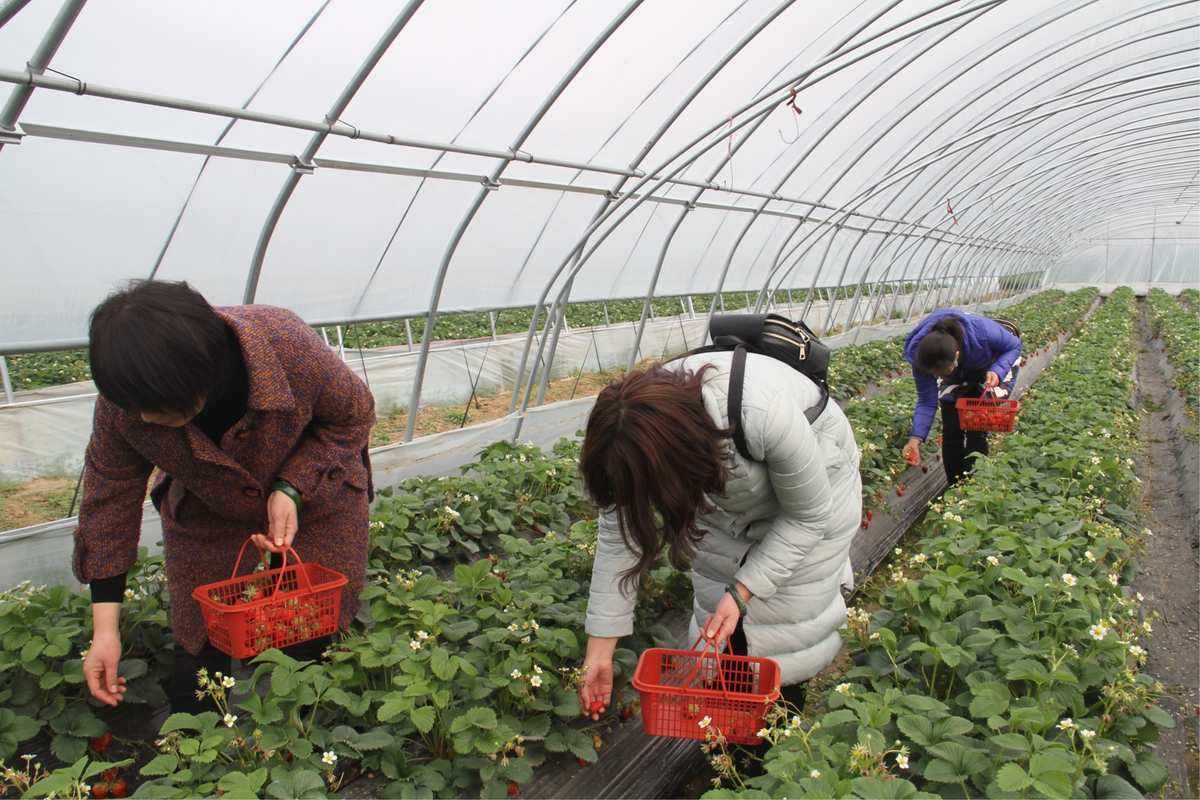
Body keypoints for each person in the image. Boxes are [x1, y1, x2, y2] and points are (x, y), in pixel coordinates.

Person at [74, 280, 375, 713]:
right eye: (137, 408)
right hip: (209, 508)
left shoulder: (285, 345)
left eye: (159, 409)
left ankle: (304, 737)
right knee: (201, 649)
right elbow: (109, 500)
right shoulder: (125, 403)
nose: (144, 419)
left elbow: (354, 415)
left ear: (208, 371)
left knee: (306, 631)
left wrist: (293, 486)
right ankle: (200, 752)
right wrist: (105, 631)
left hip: (319, 498)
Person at [575, 350, 862, 718]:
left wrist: (744, 590)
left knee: (784, 632)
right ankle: (726, 733)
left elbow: (808, 516)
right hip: (725, 499)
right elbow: (620, 536)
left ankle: (777, 739)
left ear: (681, 463)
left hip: (815, 498)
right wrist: (600, 649)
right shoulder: (627, 440)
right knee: (716, 620)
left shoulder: (761, 413)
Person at [901, 309, 1021, 485]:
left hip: (993, 361)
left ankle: (974, 485)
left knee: (977, 424)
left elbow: (1014, 345)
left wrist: (997, 370)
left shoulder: (982, 334)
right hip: (960, 371)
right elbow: (927, 401)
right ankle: (955, 486)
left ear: (956, 356)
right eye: (935, 374)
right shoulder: (923, 359)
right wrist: (915, 439)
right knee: (951, 426)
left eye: (942, 372)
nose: (937, 376)